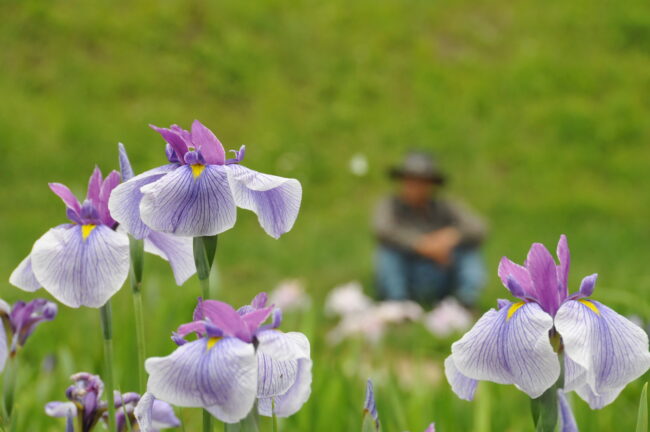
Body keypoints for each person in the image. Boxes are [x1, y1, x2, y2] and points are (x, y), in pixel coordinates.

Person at [373, 151, 487, 307]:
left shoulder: (445, 206)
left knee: (469, 250)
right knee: (387, 253)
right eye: (411, 180)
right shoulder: (390, 205)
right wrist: (421, 244)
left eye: (421, 182)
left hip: (440, 273)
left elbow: (479, 227)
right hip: (408, 272)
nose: (415, 187)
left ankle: (466, 302)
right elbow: (382, 230)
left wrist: (450, 237)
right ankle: (397, 304)